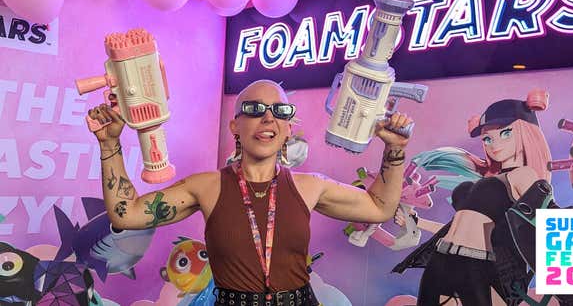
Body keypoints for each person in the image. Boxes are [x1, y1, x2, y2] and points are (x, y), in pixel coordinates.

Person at [88, 79, 413, 306]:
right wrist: (109, 144)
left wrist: (395, 150)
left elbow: (379, 208)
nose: (268, 116)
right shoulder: (207, 186)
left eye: (279, 112)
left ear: (288, 129)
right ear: (235, 126)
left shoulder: (310, 186)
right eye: (254, 109)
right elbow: (126, 214)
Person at [392, 90, 573, 306]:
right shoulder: (488, 182)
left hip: (476, 267)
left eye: (506, 133)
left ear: (525, 133)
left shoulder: (524, 174)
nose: (493, 143)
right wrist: (418, 222)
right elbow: (458, 228)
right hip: (443, 260)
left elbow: (557, 223)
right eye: (487, 138)